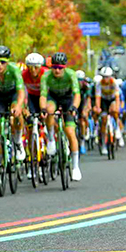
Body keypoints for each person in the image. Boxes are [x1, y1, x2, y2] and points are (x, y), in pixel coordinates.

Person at [39, 52, 82, 181]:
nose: (57, 70)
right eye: (55, 67)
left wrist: (74, 107)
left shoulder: (71, 75)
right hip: (53, 98)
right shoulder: (46, 76)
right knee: (50, 109)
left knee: (70, 131)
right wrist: (43, 109)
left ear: (65, 67)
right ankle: (51, 139)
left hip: (68, 99)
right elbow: (43, 95)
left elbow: (77, 95)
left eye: (60, 68)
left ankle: (75, 167)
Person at [94, 66, 123, 151]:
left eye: (107, 77)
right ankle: (103, 143)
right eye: (103, 77)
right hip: (103, 100)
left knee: (114, 111)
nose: (105, 79)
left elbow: (117, 97)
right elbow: (98, 98)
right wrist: (98, 108)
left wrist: (117, 107)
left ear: (110, 76)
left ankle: (117, 129)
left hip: (112, 99)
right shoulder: (99, 83)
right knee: (103, 120)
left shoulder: (114, 82)